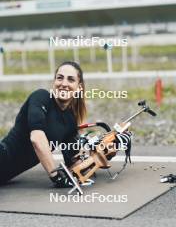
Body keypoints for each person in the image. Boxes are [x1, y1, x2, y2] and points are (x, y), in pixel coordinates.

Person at [0, 61, 132, 188]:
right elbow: (36, 139)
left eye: (70, 79)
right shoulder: (41, 97)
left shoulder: (70, 121)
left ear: (79, 87)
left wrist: (105, 151)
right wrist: (55, 175)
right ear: (54, 82)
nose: (64, 83)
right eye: (60, 78)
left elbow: (75, 165)